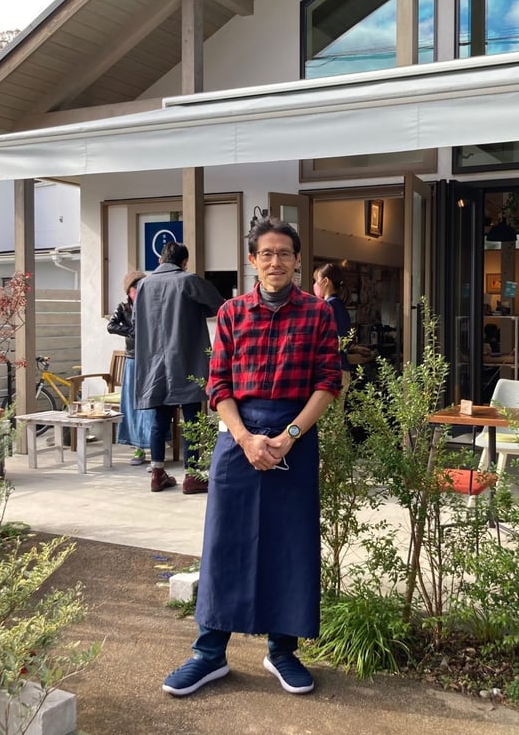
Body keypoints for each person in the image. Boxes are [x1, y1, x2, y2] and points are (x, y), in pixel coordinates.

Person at [161, 218, 341, 698]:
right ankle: (209, 652)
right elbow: (218, 384)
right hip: (237, 437)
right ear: (252, 260)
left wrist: (290, 435)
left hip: (294, 438)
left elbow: (328, 383)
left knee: (290, 544)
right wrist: (244, 437)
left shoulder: (318, 315)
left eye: (284, 253)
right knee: (225, 543)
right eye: (267, 253)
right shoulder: (232, 314)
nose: (276, 261)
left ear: (298, 260)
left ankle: (282, 650)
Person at [134, 242, 224, 494]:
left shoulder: (143, 285)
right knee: (192, 417)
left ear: (162, 259)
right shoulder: (187, 280)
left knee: (159, 419)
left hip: (154, 361)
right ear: (184, 261)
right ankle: (192, 475)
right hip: (185, 357)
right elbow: (220, 305)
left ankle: (157, 472)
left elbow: (135, 320)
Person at [107, 270, 151, 465]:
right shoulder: (123, 308)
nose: (141, 290)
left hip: (151, 360)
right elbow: (111, 326)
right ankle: (137, 448)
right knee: (132, 404)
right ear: (130, 291)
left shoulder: (152, 305)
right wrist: (132, 331)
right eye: (137, 287)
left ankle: (154, 446)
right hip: (132, 359)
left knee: (151, 404)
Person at [313, 261, 354, 397]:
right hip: (343, 370)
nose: (315, 285)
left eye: (316, 280)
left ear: (325, 281)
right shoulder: (340, 307)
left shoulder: (327, 307)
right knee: (337, 416)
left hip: (331, 372)